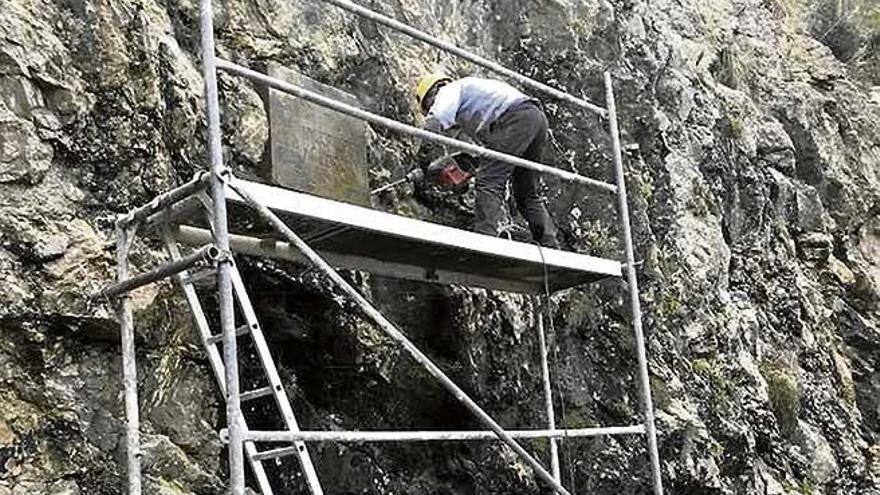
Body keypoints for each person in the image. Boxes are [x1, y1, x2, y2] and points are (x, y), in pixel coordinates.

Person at [414, 73, 560, 248]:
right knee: (526, 193)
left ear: (433, 93)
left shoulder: (448, 90)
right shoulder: (474, 104)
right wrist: (466, 168)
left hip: (516, 117)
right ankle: (550, 245)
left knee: (488, 182)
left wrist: (424, 163)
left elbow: (434, 123)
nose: (431, 107)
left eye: (429, 104)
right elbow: (488, 153)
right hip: (535, 118)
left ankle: (485, 241)